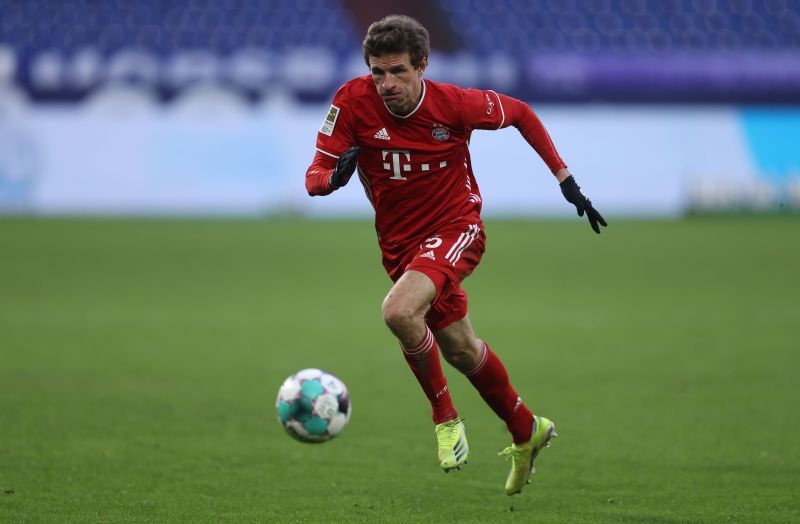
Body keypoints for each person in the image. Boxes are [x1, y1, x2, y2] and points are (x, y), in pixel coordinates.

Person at [304, 14, 606, 496]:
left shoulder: (455, 105)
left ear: (422, 65)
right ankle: (526, 429)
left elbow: (522, 113)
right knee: (462, 350)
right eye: (378, 72)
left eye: (398, 71)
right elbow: (314, 174)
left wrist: (564, 178)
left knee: (399, 312)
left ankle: (444, 418)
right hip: (400, 247)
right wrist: (332, 180)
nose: (387, 84)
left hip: (455, 228)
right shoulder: (351, 103)